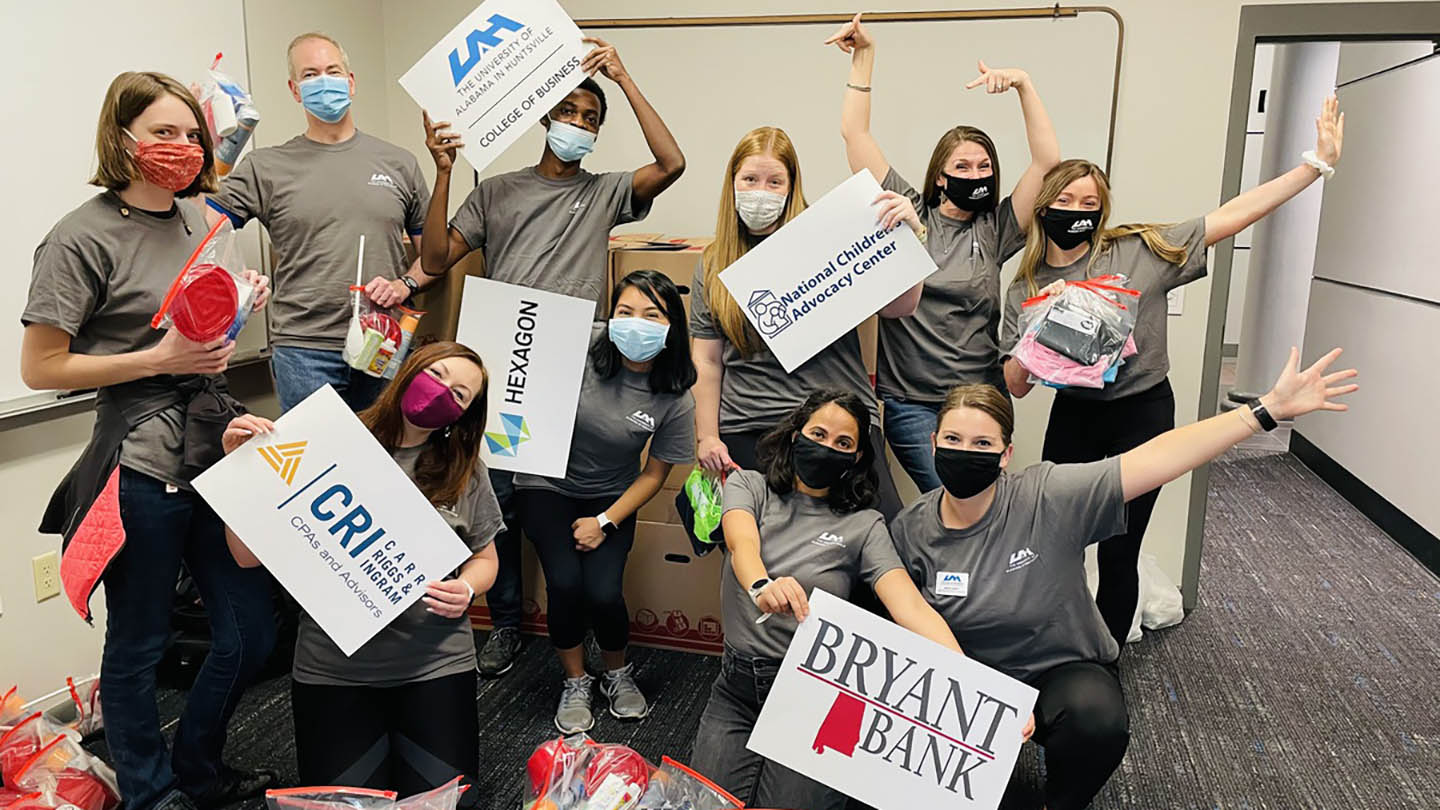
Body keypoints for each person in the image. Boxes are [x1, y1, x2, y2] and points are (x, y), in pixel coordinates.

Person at [890, 346, 1357, 810]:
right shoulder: (911, 530)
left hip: (1058, 671)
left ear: (1006, 454)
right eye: (952, 440)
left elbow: (1156, 458)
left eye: (982, 444)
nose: (964, 453)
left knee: (1097, 721)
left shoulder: (1048, 496)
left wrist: (1263, 412)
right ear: (932, 443)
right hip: (966, 679)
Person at [1001, 95, 1345, 647]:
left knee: (1120, 548)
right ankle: (1053, 643)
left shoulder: (1141, 250)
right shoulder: (1025, 283)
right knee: (1056, 537)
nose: (1077, 209)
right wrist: (1047, 322)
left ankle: (1105, 659)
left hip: (1143, 412)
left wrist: (1314, 165)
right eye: (1064, 199)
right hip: (1076, 417)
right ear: (1043, 206)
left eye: (1089, 200)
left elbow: (1232, 215)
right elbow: (1015, 386)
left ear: (1103, 208)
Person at [20, 72, 276, 810]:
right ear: (122, 139)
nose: (183, 147)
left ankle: (198, 767)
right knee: (138, 646)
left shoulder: (205, 220)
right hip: (139, 457)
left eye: (193, 134)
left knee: (249, 632)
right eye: (164, 133)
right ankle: (151, 794)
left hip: (216, 442)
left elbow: (200, 331)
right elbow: (40, 368)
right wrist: (157, 360)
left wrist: (237, 305)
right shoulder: (80, 236)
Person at [418, 37, 686, 678]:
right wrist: (446, 170)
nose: (578, 125)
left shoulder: (605, 192)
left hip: (580, 366)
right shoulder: (498, 192)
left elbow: (671, 162)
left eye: (591, 120)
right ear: (545, 117)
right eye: (569, 113)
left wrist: (621, 77)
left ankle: (590, 632)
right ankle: (506, 623)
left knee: (570, 496)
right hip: (505, 366)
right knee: (497, 502)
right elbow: (432, 261)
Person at [221, 341, 502, 808]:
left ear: (464, 416)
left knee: (445, 803)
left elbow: (486, 559)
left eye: (459, 394)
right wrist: (242, 471)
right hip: (334, 669)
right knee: (340, 805)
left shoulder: (464, 469)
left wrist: (469, 587)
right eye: (437, 375)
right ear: (410, 369)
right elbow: (247, 556)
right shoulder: (321, 442)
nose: (441, 394)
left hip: (434, 663)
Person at [689, 390, 967, 810]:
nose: (827, 447)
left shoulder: (865, 524)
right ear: (795, 434)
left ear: (856, 457)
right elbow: (741, 542)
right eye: (818, 433)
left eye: (843, 443)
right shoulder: (750, 484)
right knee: (703, 804)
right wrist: (762, 586)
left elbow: (908, 605)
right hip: (738, 689)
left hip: (813, 696)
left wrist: (970, 682)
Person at [827, 12, 1060, 493]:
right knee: (948, 497)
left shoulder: (995, 228)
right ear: (940, 175)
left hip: (981, 397)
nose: (974, 174)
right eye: (961, 166)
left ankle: (976, 573)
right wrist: (863, 59)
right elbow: (855, 135)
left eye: (983, 166)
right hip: (911, 403)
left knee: (979, 504)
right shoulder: (905, 213)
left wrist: (1024, 84)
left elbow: (1047, 163)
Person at [691, 126, 923, 521]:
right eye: (750, 179)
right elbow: (707, 361)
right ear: (732, 184)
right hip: (752, 424)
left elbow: (900, 307)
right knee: (764, 552)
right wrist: (707, 436)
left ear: (792, 186)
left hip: (838, 419)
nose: (761, 191)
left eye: (774, 181)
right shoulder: (713, 263)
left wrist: (910, 235)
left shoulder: (831, 236)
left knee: (885, 536)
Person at [205, 32, 432, 413]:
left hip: (382, 341)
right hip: (303, 349)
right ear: (295, 90)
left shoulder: (399, 163)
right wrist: (212, 153)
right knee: (317, 467)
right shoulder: (266, 167)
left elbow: (434, 257)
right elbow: (202, 231)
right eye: (310, 75)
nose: (323, 81)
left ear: (351, 81)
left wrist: (403, 284)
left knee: (385, 463)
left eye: (333, 71)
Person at [513, 270, 696, 733]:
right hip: (545, 483)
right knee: (566, 584)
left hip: (613, 493)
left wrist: (605, 520)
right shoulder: (580, 344)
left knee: (604, 592)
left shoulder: (675, 394)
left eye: (651, 315)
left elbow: (655, 474)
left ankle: (617, 672)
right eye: (624, 312)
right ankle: (576, 680)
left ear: (672, 325)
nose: (635, 323)